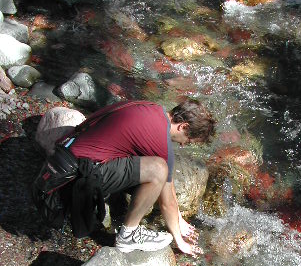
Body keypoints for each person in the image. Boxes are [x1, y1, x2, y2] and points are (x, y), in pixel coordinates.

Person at [58, 98, 216, 256]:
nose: (183, 145)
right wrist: (179, 241)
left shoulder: (151, 108)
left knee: (162, 170)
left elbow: (169, 182)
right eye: (188, 140)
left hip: (64, 156)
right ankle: (128, 235)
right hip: (74, 177)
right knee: (158, 170)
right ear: (183, 126)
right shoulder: (160, 139)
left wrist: (178, 218)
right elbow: (166, 201)